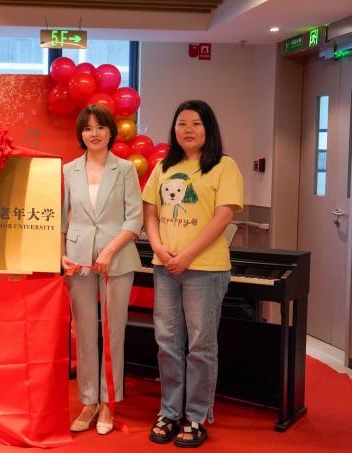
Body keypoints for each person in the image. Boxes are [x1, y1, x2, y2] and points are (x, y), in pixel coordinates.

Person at [142, 100, 243, 448]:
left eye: (196, 123)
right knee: (167, 342)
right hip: (165, 268)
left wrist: (186, 255)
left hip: (205, 269)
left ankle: (197, 416)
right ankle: (170, 412)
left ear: (208, 128)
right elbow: (150, 212)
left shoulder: (224, 166)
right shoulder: (163, 167)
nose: (188, 129)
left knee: (200, 345)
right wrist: (158, 248)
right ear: (174, 129)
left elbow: (223, 216)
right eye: (181, 123)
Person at [61, 104, 143, 435]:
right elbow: (59, 219)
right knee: (84, 332)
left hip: (117, 259)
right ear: (80, 134)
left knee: (114, 332)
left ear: (111, 131)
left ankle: (109, 401)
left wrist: (109, 250)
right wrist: (60, 254)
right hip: (78, 260)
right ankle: (88, 401)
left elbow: (134, 219)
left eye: (100, 127)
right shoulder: (68, 170)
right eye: (87, 128)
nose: (93, 133)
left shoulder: (125, 170)